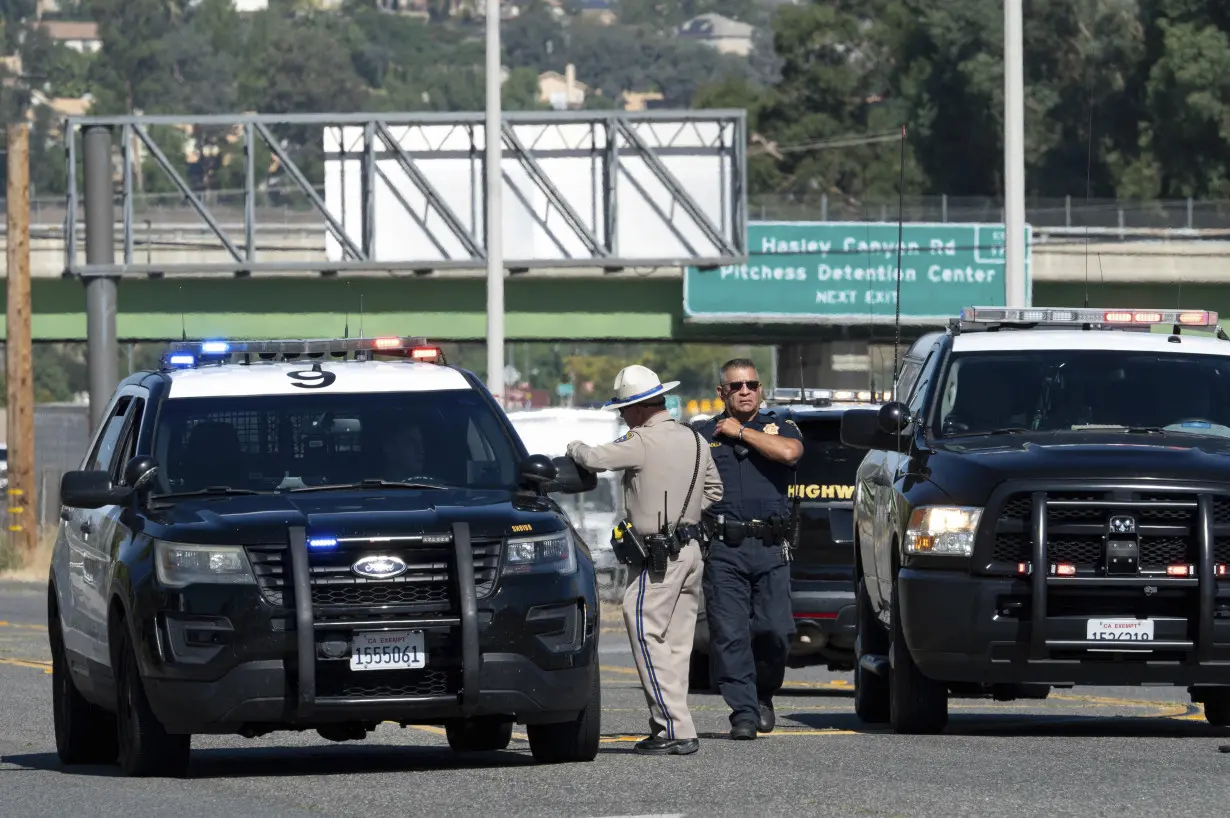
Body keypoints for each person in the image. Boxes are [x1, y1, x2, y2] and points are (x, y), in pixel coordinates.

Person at [566, 364, 722, 756]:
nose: (621, 415)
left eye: (622, 408)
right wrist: (684, 521)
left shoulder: (641, 440)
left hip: (659, 555)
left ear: (637, 408)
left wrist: (573, 447)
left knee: (642, 626)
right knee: (675, 643)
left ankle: (675, 727)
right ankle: (668, 721)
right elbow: (716, 491)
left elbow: (595, 458)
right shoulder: (695, 439)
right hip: (690, 550)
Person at [694, 358, 804, 740]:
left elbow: (790, 454)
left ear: (761, 389)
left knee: (775, 630)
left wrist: (740, 432)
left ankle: (763, 695)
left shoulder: (779, 426)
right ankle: (742, 710)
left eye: (752, 385)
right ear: (721, 393)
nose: (745, 391)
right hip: (724, 547)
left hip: (771, 547)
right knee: (729, 633)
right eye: (736, 386)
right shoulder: (704, 433)